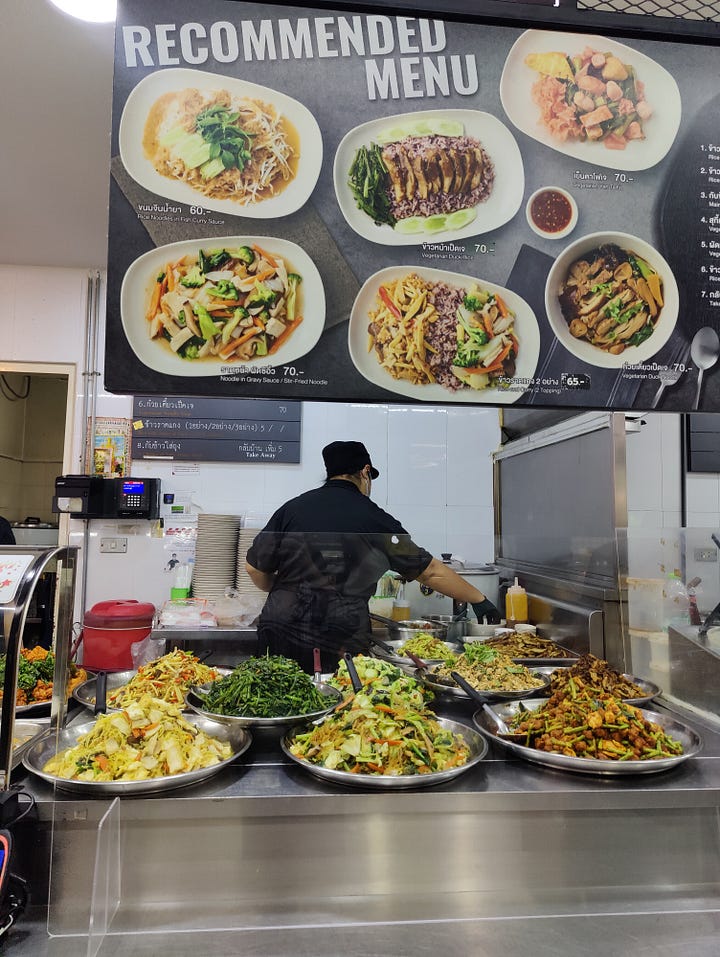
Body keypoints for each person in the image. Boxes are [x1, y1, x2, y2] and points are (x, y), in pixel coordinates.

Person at [245, 440, 501, 673]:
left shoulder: (292, 509)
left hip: (279, 628)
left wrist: (281, 590)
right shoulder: (374, 518)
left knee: (277, 697)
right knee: (339, 706)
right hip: (338, 634)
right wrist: (478, 599)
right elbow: (430, 571)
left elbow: (253, 568)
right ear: (365, 472)